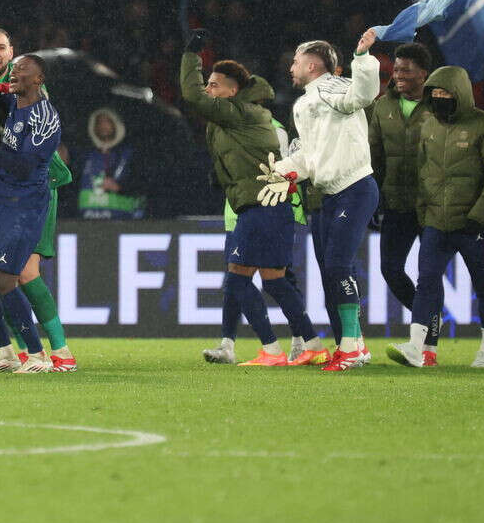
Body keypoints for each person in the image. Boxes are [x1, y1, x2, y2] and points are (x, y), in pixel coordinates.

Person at [180, 36, 327, 367]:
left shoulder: (240, 114)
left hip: (260, 205)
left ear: (232, 92)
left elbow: (190, 95)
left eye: (214, 85)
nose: (207, 90)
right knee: (274, 280)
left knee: (238, 278)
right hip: (268, 205)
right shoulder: (241, 117)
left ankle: (273, 350)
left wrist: (192, 56)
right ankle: (312, 343)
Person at [258, 32, 380, 371]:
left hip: (354, 187)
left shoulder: (333, 88)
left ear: (313, 65)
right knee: (331, 273)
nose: (291, 68)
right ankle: (351, 346)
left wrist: (363, 59)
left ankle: (352, 348)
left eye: (296, 62)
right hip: (329, 194)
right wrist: (283, 171)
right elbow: (310, 158)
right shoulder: (305, 102)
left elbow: (363, 94)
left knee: (339, 267)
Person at [0, 27, 77, 371]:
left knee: (19, 275)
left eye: (19, 69)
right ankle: (5, 351)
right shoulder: (4, 99)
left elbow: (22, 162)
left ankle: (47, 352)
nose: (12, 73)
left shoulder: (44, 116)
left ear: (39, 79)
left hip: (27, 200)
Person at [388, 65, 484, 368]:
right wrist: (423, 211)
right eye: (434, 93)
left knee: (483, 284)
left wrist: (481, 213)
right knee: (426, 281)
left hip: (472, 222)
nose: (439, 98)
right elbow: (423, 171)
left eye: (445, 93)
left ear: (460, 94)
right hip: (436, 220)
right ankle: (416, 346)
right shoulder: (429, 126)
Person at [367, 43, 432, 351]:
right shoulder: (383, 105)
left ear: (424, 74)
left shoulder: (440, 103)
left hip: (432, 205)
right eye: (396, 69)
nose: (399, 75)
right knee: (390, 269)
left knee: (429, 273)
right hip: (395, 203)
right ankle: (429, 318)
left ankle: (425, 338)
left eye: (406, 70)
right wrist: (370, 200)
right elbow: (374, 157)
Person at [79, 108, 144, 219]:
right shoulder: (84, 155)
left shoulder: (130, 155)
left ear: (116, 125)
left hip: (122, 222)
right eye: (99, 122)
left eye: (107, 121)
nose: (103, 125)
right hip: (87, 224)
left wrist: (119, 188)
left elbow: (143, 184)